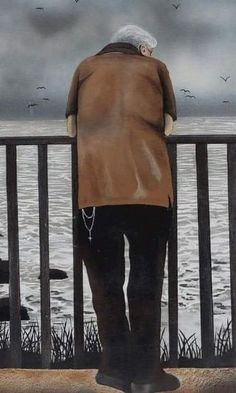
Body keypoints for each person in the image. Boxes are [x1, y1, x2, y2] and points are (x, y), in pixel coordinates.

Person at [66, 25, 180, 393]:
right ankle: (148, 375)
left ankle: (114, 370)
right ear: (144, 49)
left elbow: (71, 128)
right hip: (149, 195)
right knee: (146, 284)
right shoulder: (156, 68)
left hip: (97, 196)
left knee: (105, 285)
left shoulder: (84, 67)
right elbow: (168, 125)